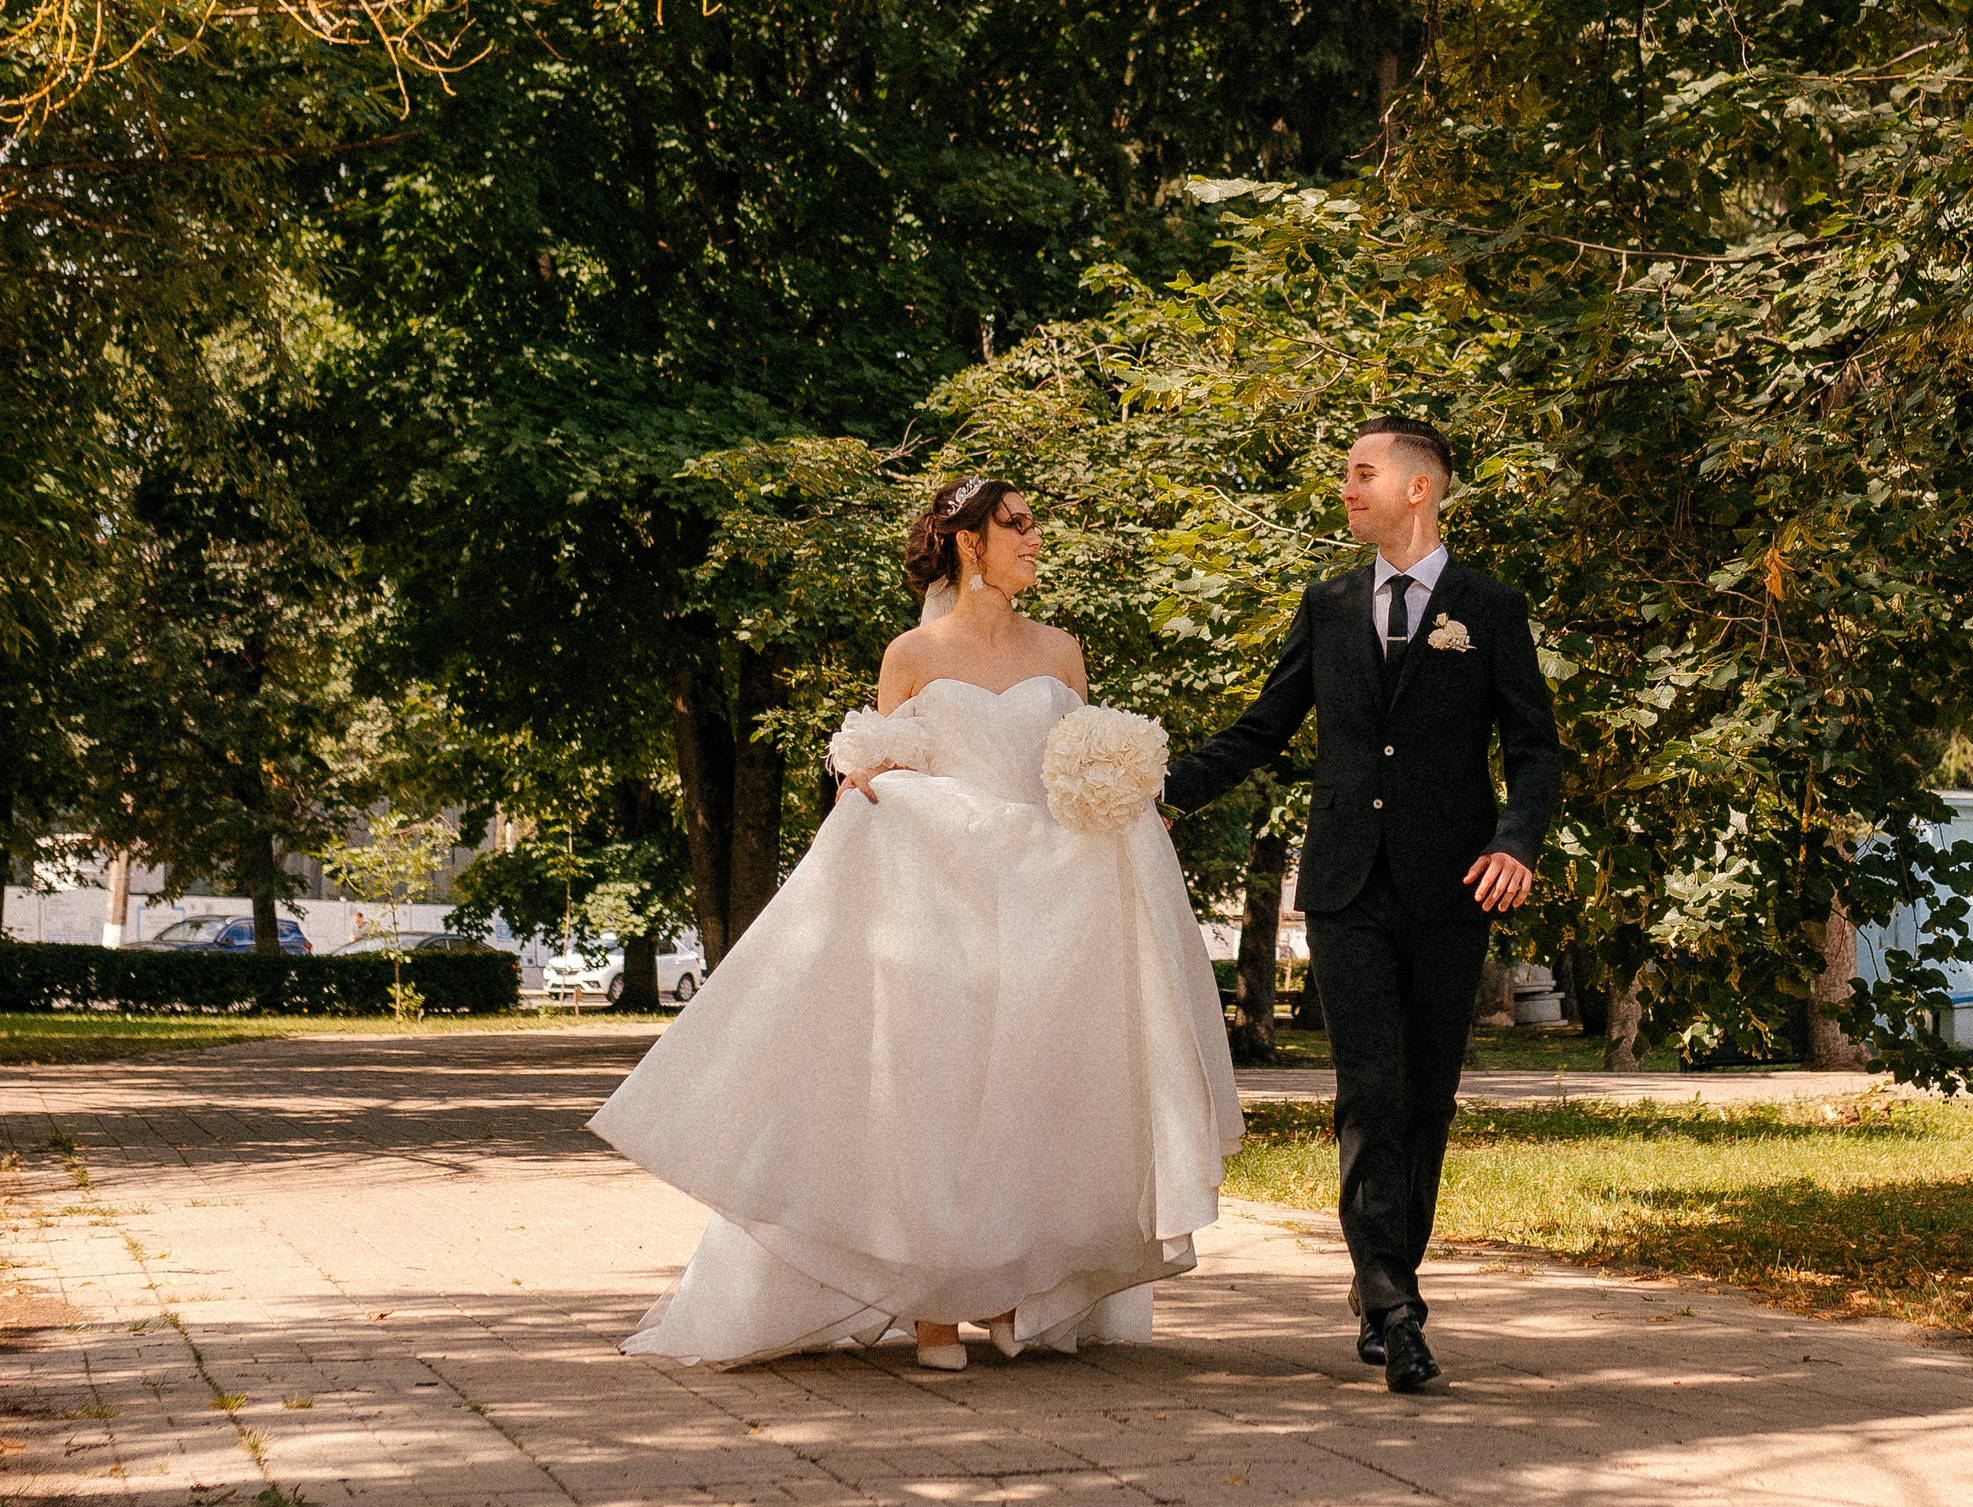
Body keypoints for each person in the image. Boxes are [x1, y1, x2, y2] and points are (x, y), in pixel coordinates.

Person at [592, 477, 1242, 1370]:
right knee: (940, 1092)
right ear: (969, 543)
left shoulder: (1063, 650)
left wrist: (1123, 798)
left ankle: (1010, 1289)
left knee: (1035, 1088)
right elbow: (879, 768)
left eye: (1034, 525)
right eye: (1017, 526)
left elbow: (1074, 771)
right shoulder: (912, 655)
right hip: (942, 901)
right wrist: (870, 784)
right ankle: (936, 1304)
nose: (1035, 540)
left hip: (1052, 904)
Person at [1163, 419, 1562, 1393]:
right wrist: (1162, 791)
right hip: (1343, 883)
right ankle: (1392, 1301)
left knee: (1425, 1096)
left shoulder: (1488, 608)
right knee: (1369, 1088)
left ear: (1418, 489)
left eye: (1361, 473)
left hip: (1451, 885)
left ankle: (1389, 1272)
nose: (1345, 489)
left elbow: (1535, 748)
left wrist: (1514, 844)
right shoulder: (1328, 605)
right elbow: (1265, 728)